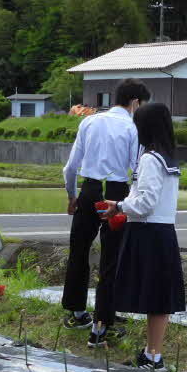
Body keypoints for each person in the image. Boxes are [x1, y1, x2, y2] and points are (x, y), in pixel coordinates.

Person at [60, 79, 148, 347]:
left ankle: (77, 312)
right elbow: (136, 168)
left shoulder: (90, 121)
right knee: (111, 259)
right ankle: (101, 326)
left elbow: (70, 167)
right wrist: (131, 202)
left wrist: (72, 195)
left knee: (79, 249)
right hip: (116, 193)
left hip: (89, 190)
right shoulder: (133, 127)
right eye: (141, 105)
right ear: (135, 102)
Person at [97, 102, 184, 370]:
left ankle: (153, 356)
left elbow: (145, 202)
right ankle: (151, 353)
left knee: (155, 298)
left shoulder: (150, 159)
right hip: (164, 232)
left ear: (145, 128)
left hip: (148, 233)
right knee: (159, 298)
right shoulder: (169, 159)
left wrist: (119, 207)